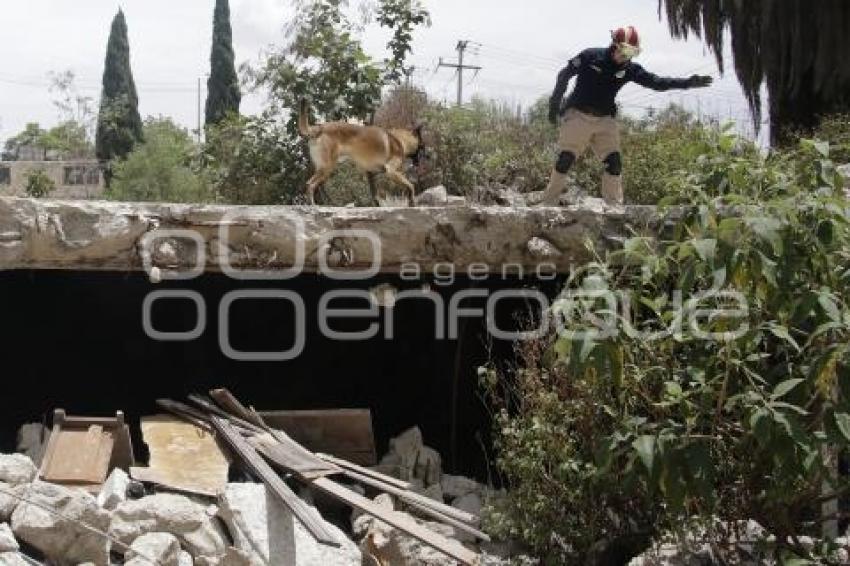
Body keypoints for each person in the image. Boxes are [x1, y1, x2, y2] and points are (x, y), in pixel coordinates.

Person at [541, 26, 713, 206]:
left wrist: (687, 83)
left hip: (605, 120)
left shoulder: (630, 69)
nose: (627, 56)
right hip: (578, 114)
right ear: (614, 45)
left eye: (633, 52)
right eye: (625, 49)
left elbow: (657, 82)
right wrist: (554, 105)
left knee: (614, 163)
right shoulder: (589, 56)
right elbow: (564, 75)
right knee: (565, 159)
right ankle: (548, 204)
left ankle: (614, 209)